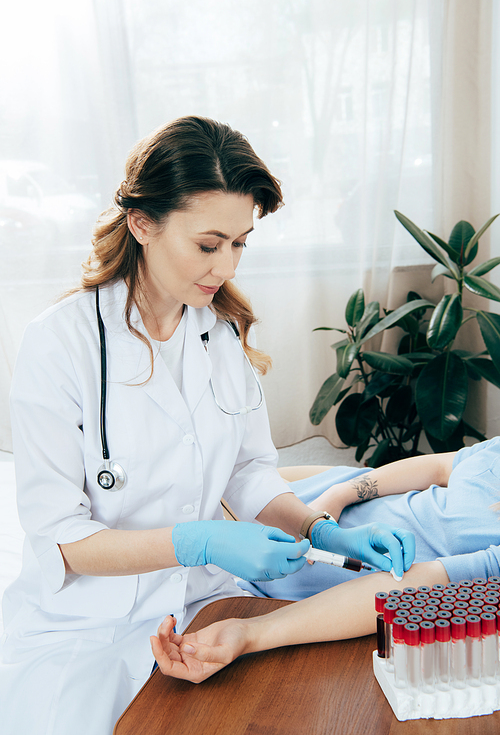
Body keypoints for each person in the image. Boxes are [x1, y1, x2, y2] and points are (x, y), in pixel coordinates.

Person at [0, 116, 413, 735]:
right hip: (85, 621)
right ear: (142, 223)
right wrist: (197, 539)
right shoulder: (60, 346)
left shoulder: (216, 333)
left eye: (240, 243)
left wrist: (322, 530)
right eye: (208, 243)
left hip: (202, 600)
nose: (225, 265)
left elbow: (249, 473)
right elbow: (64, 542)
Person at [150, 437, 500, 683]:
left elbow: (410, 587)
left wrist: (252, 632)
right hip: (307, 503)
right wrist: (337, 496)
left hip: (292, 570)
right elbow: (439, 466)